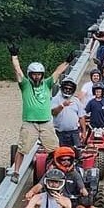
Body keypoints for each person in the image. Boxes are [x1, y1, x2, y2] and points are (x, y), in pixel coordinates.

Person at [8, 45, 73, 183]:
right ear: (30, 74)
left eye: (39, 74)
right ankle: (16, 172)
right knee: (22, 148)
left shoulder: (47, 84)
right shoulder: (25, 85)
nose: (37, 76)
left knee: (55, 149)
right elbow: (18, 71)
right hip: (29, 123)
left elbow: (57, 72)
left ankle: (59, 170)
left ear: (42, 75)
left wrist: (67, 62)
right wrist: (14, 56)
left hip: (46, 123)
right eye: (34, 74)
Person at [51, 77, 86, 148]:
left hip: (74, 133)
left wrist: (84, 132)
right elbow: (53, 113)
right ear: (62, 88)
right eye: (66, 88)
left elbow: (81, 117)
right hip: (59, 133)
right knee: (58, 154)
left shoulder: (76, 101)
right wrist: (62, 105)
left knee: (77, 154)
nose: (67, 90)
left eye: (70, 89)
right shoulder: (56, 99)